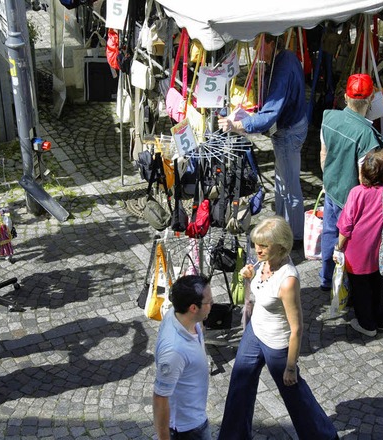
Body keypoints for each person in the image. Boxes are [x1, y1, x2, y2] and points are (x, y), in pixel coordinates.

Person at [218, 217, 338, 440]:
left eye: (264, 245)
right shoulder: (261, 262)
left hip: (277, 343)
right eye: (256, 244)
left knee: (294, 394)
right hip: (255, 332)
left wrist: (290, 367)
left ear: (281, 246)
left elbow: (297, 328)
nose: (258, 249)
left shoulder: (288, 280)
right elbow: (255, 297)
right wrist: (248, 280)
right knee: (239, 385)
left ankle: (323, 437)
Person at [218, 33, 308, 246]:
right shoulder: (285, 57)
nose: (256, 50)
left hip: (288, 130)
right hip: (293, 124)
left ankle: (294, 236)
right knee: (282, 181)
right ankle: (282, 226)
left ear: (271, 43)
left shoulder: (282, 69)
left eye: (259, 44)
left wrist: (238, 125)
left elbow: (269, 116)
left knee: (289, 185)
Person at [334, 149, 383, 337]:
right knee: (379, 286)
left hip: (357, 254)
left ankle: (367, 325)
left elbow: (345, 227)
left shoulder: (356, 193)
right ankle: (382, 319)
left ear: (363, 172)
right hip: (381, 253)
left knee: (361, 290)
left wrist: (338, 248)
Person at [319, 73, 383, 291]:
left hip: (331, 189)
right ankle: (349, 285)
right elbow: (363, 178)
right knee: (351, 242)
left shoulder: (329, 117)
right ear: (371, 99)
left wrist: (328, 180)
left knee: (329, 234)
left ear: (346, 97)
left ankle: (327, 279)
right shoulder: (367, 135)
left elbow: (323, 154)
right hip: (351, 199)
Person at [153, 275, 212, 440]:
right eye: (209, 302)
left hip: (195, 416)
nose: (212, 306)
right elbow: (160, 397)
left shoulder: (178, 314)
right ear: (193, 308)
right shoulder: (174, 351)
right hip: (188, 429)